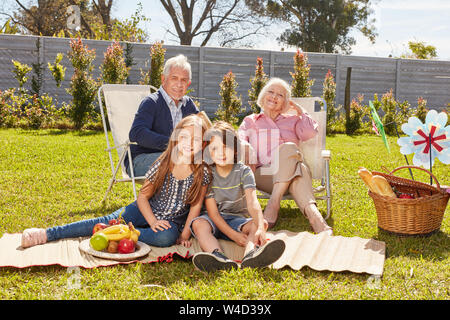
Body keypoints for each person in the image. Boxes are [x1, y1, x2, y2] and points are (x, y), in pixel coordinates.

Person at [21, 114, 211, 249]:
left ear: (202, 144)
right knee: (104, 221)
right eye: (184, 137)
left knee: (165, 238)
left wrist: (184, 236)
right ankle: (49, 233)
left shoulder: (202, 172)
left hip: (169, 223)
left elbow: (195, 207)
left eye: (195, 139)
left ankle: (120, 232)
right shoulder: (164, 163)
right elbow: (143, 197)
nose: (188, 143)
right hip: (144, 210)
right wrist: (152, 221)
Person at [238, 78, 333, 235]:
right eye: (271, 92)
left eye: (280, 95)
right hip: (264, 174)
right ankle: (317, 221)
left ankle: (275, 204)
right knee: (298, 169)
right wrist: (246, 145)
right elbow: (238, 140)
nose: (274, 97)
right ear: (263, 96)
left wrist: (301, 111)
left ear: (285, 102)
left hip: (293, 169)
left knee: (290, 151)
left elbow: (310, 132)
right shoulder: (251, 121)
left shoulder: (294, 120)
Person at [190, 121, 286, 272]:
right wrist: (234, 236)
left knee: (260, 223)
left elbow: (253, 203)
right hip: (213, 220)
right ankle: (218, 258)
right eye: (214, 148)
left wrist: (260, 227)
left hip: (237, 219)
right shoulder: (208, 174)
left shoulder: (244, 172)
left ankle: (250, 255)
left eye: (225, 147)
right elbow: (213, 214)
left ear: (235, 149)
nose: (220, 153)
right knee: (199, 225)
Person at [126, 54, 199, 177]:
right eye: (174, 78)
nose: (179, 84)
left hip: (181, 159)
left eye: (183, 80)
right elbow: (136, 133)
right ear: (163, 79)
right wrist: (173, 144)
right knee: (180, 162)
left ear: (188, 83)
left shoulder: (188, 105)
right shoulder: (151, 102)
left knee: (210, 162)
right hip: (142, 159)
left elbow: (205, 129)